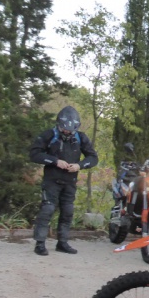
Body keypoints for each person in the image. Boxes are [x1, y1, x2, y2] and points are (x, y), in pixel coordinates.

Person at [30, 106, 98, 256]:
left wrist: (79, 165)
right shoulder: (49, 134)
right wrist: (54, 161)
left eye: (70, 130)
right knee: (47, 209)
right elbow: (34, 154)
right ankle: (40, 243)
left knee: (68, 212)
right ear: (59, 125)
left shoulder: (81, 137)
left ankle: (62, 242)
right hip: (51, 180)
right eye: (64, 129)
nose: (66, 132)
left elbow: (93, 158)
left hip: (69, 181)